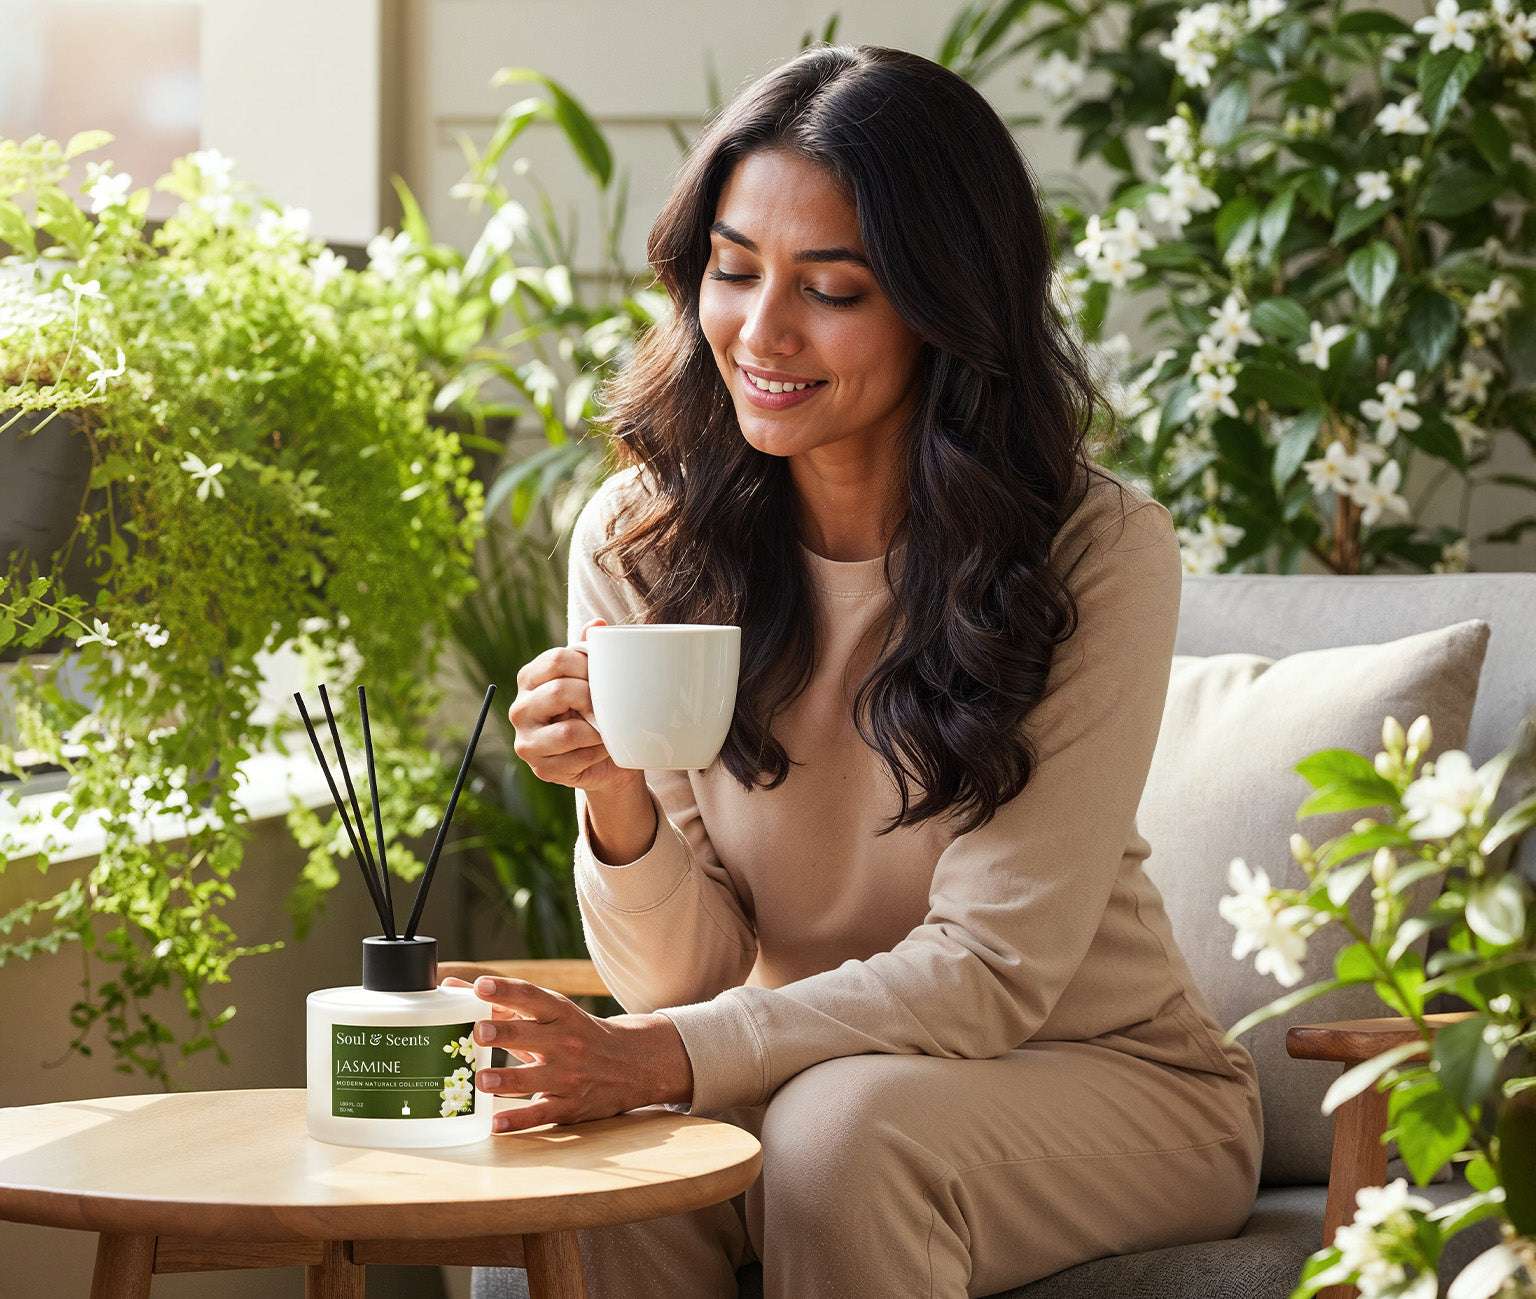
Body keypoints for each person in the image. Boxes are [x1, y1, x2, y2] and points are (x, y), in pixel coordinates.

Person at [476, 43, 1262, 1299]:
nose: (761, 331)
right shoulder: (641, 540)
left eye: (833, 290)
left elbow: (997, 970)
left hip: (1109, 1081)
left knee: (836, 1142)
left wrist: (668, 1056)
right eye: (733, 273)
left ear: (946, 306)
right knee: (611, 1167)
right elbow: (685, 979)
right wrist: (614, 800)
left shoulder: (1095, 549)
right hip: (803, 1066)